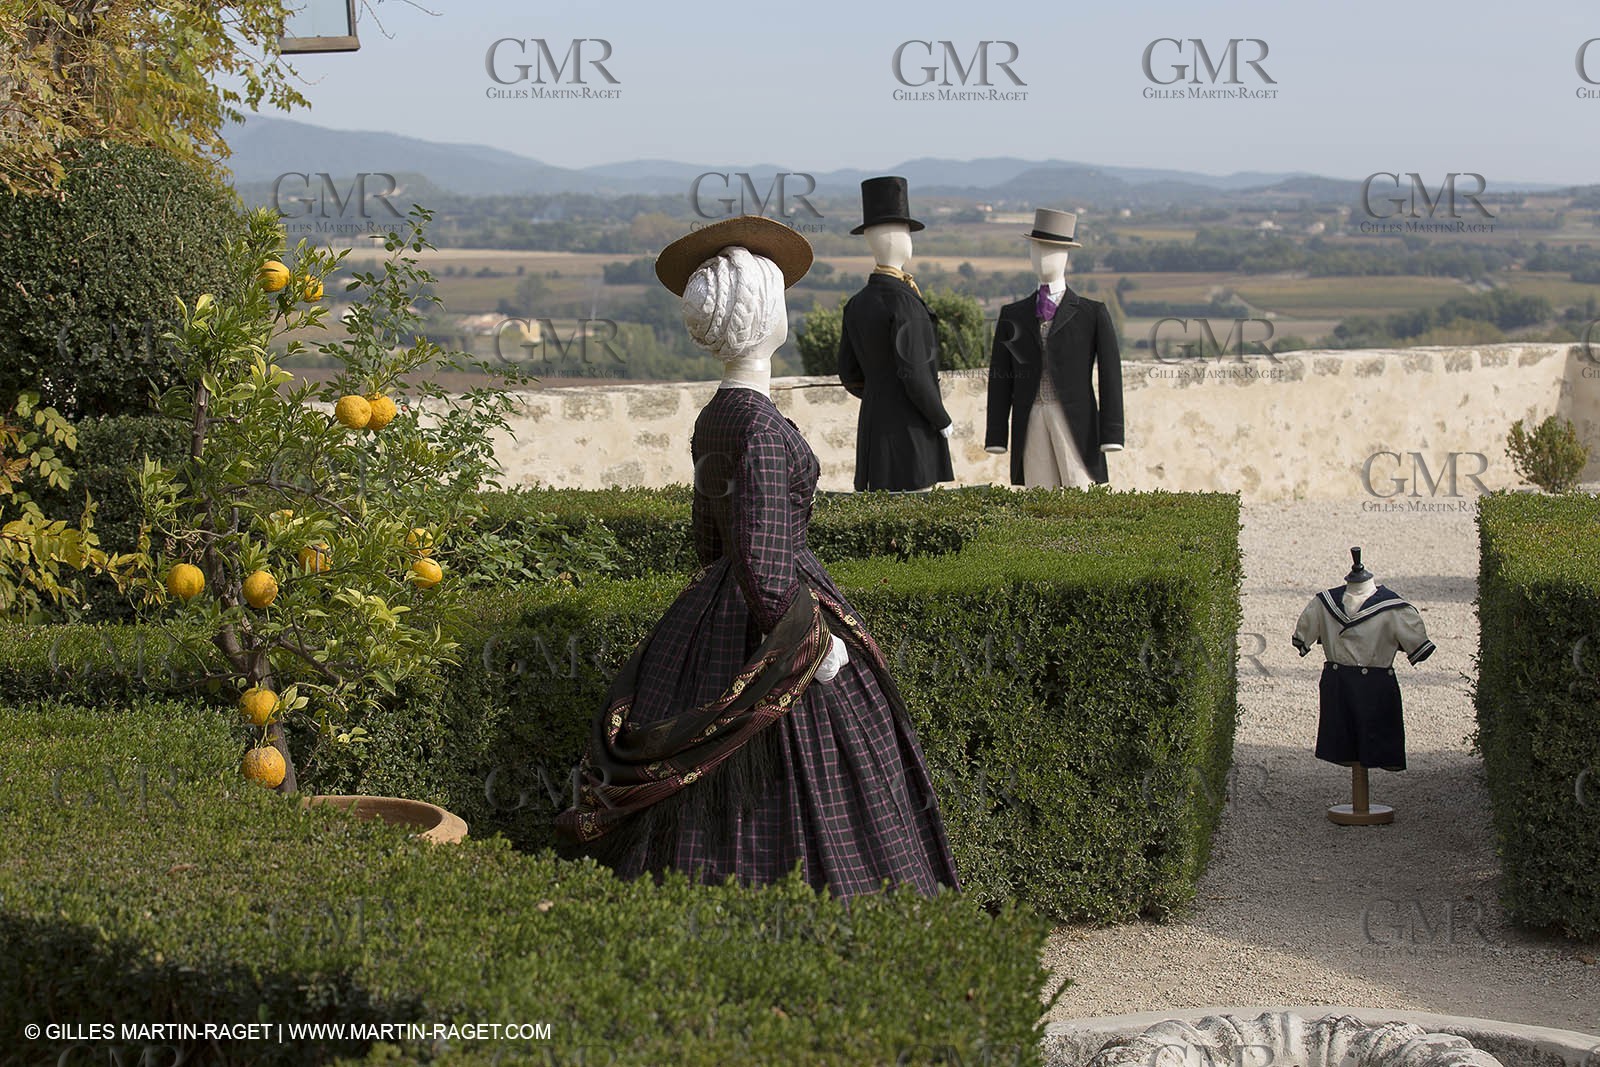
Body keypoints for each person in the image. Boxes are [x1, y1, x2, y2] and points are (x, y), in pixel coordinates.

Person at [555, 216, 960, 900]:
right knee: (819, 779)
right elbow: (764, 564)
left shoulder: (716, 416)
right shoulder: (762, 428)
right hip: (778, 623)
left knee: (699, 792)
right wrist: (815, 648)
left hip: (712, 613)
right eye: (779, 294)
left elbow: (709, 543)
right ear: (764, 315)